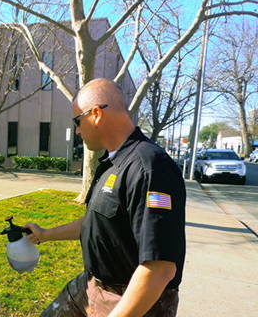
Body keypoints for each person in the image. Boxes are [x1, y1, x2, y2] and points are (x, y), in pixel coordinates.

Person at [25, 78, 186, 317]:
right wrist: (45, 235)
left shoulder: (149, 168)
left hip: (133, 301)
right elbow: (96, 224)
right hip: (92, 286)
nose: (77, 130)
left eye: (78, 121)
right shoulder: (112, 163)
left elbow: (159, 269)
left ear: (96, 114)